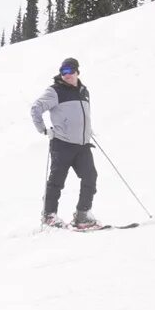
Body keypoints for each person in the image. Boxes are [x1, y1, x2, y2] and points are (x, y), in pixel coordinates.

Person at [30, 57, 97, 227]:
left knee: (90, 176)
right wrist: (44, 129)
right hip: (62, 144)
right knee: (57, 181)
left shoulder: (84, 91)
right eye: (63, 72)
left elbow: (81, 114)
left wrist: (87, 130)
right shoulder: (55, 91)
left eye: (69, 71)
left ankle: (83, 214)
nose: (66, 75)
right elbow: (36, 108)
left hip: (82, 145)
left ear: (77, 72)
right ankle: (49, 215)